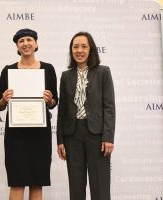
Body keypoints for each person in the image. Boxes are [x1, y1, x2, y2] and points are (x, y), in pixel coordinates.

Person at [0, 28, 58, 200]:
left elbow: (54, 103)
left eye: (29, 40)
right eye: (21, 41)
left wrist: (50, 99)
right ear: (17, 46)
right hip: (16, 135)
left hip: (40, 134)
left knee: (37, 182)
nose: (26, 43)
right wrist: (4, 99)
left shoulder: (48, 69)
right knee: (17, 182)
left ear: (36, 44)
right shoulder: (8, 70)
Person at [57, 31, 115, 200]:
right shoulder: (66, 76)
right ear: (71, 50)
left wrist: (108, 137)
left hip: (97, 135)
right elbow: (62, 110)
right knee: (76, 185)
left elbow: (109, 107)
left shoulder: (103, 72)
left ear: (91, 50)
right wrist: (60, 140)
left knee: (100, 185)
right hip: (72, 135)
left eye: (83, 46)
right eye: (75, 47)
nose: (79, 50)